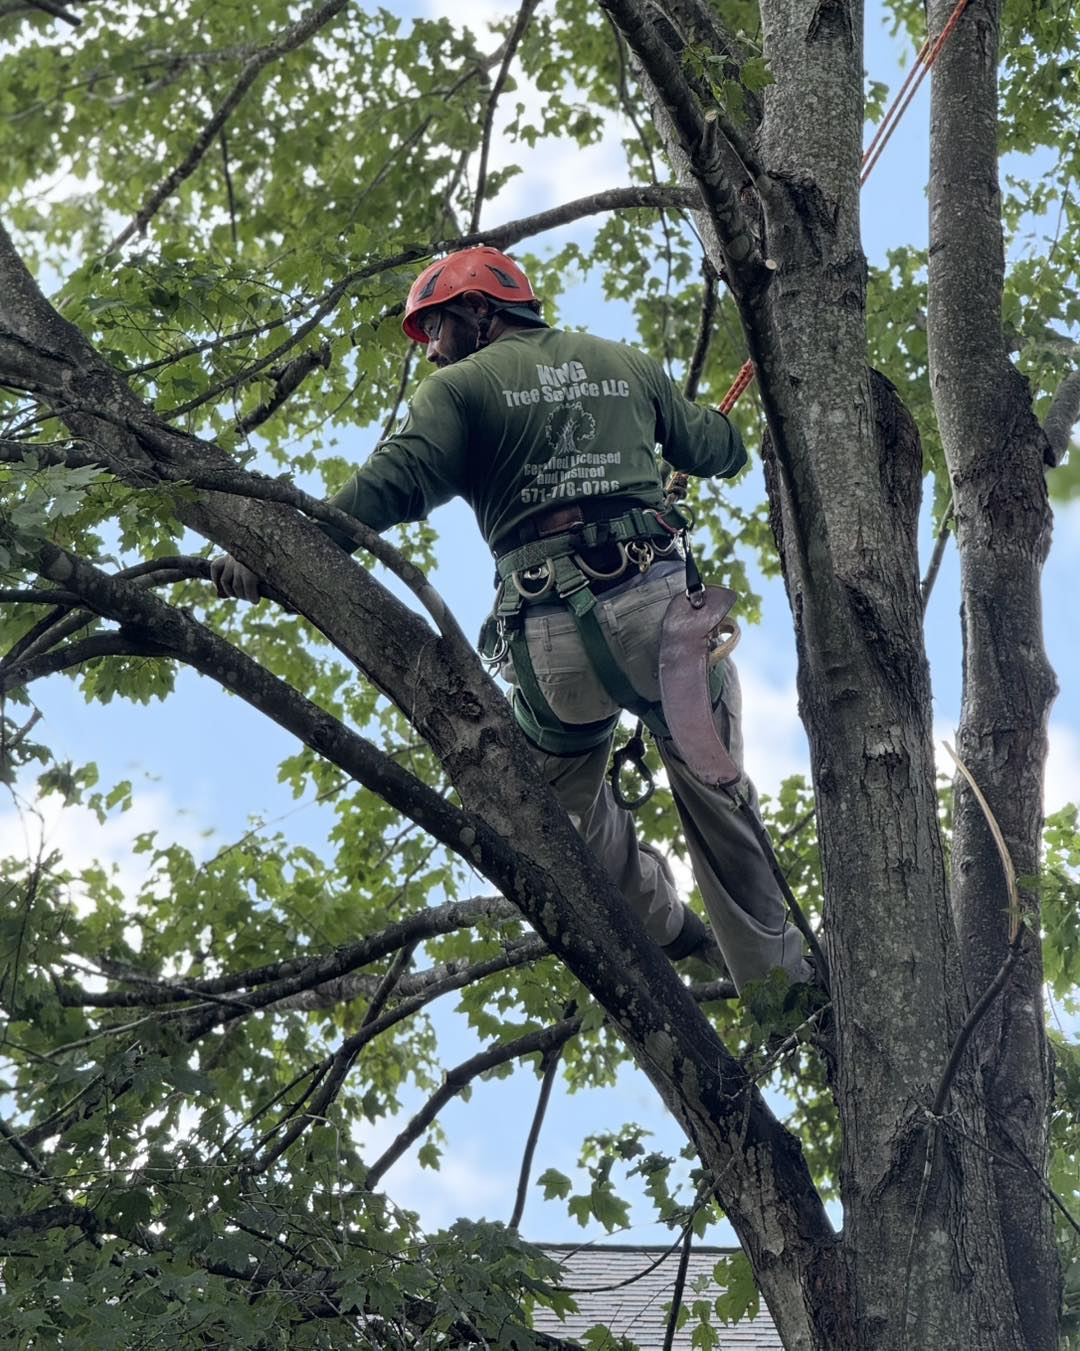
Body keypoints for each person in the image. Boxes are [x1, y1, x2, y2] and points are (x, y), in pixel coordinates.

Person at [212, 246, 807, 992]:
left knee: (559, 827)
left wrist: (276, 551)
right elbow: (721, 451)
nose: (431, 352)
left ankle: (671, 927)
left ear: (482, 312)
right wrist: (683, 434)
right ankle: (787, 990)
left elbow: (387, 488)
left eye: (437, 329)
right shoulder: (625, 361)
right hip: (665, 622)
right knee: (721, 806)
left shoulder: (461, 391)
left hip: (555, 641)